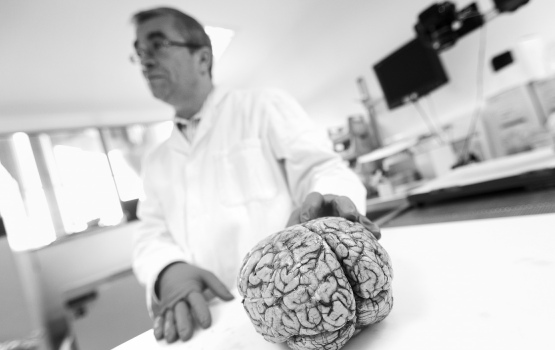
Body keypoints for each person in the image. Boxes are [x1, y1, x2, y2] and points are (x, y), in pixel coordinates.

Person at [130, 7, 381, 344]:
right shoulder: (156, 161)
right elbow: (150, 233)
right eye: (140, 52)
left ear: (203, 58)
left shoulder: (261, 106)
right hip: (213, 322)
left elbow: (322, 168)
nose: (145, 61)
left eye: (158, 46)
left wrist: (328, 198)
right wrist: (166, 271)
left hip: (303, 303)